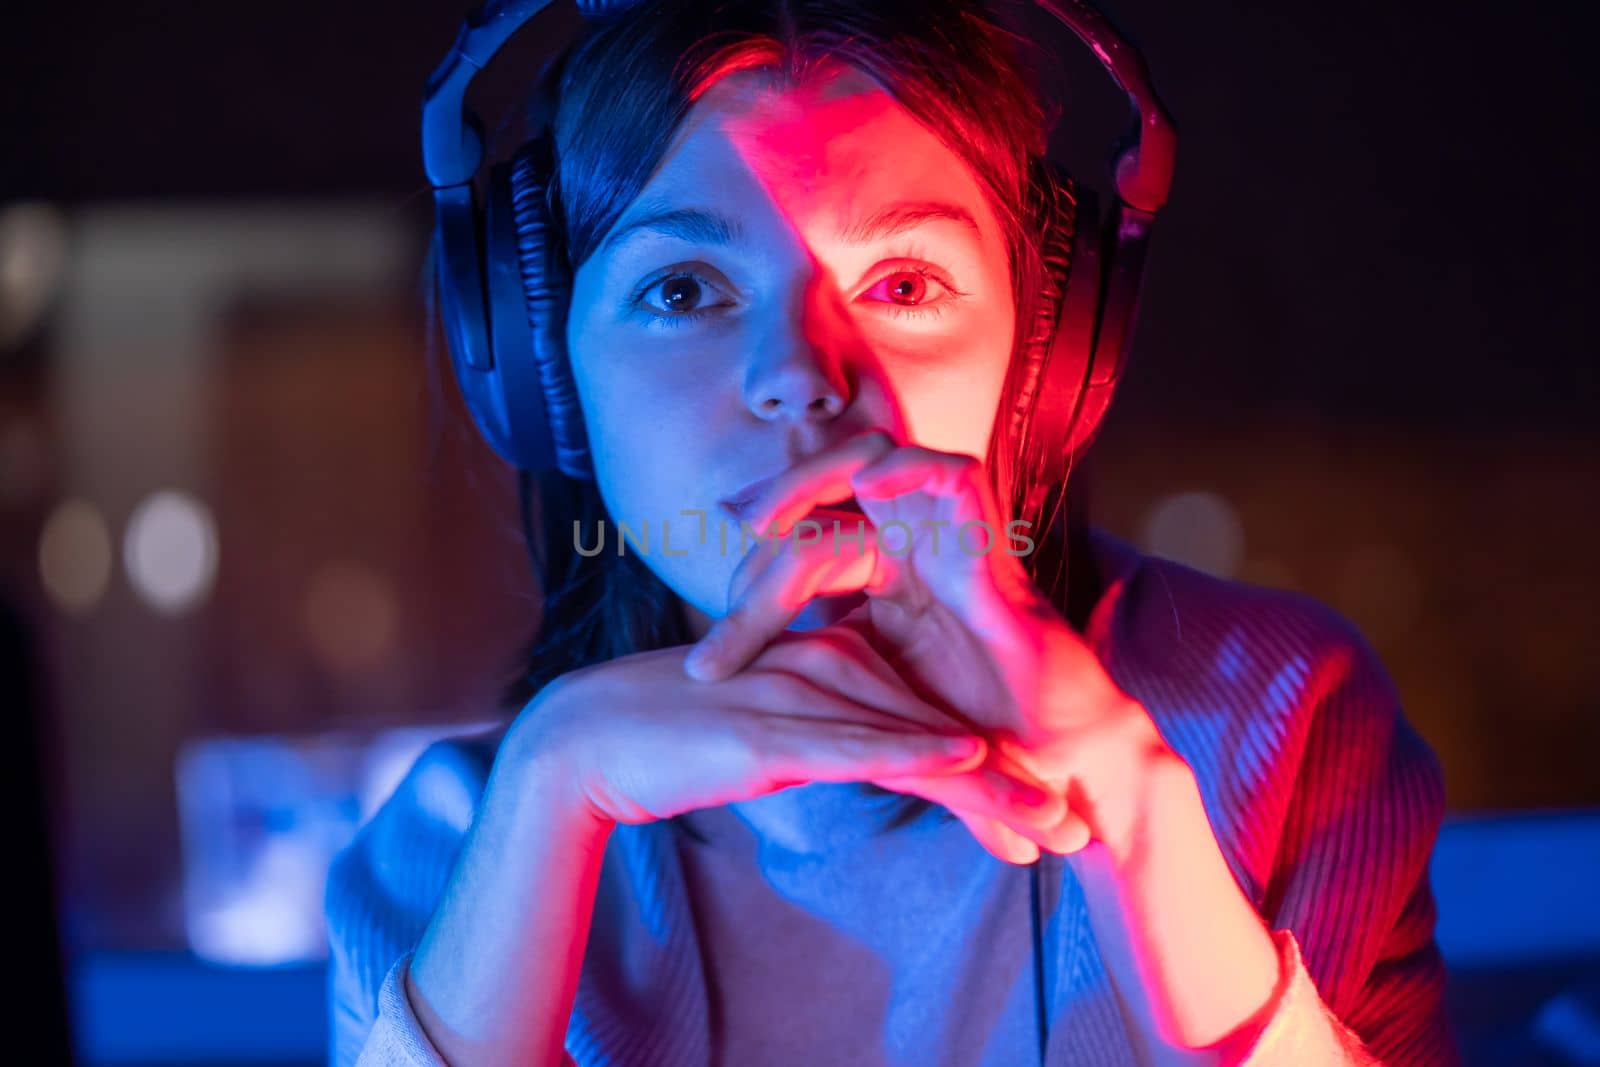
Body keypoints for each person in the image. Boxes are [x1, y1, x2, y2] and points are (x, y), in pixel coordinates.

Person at [326, 0, 1460, 1063]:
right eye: (681, 290)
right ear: (547, 372)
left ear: (1046, 366)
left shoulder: (1280, 726)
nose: (800, 379)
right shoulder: (458, 848)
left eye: (906, 283)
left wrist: (1140, 811)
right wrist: (549, 789)